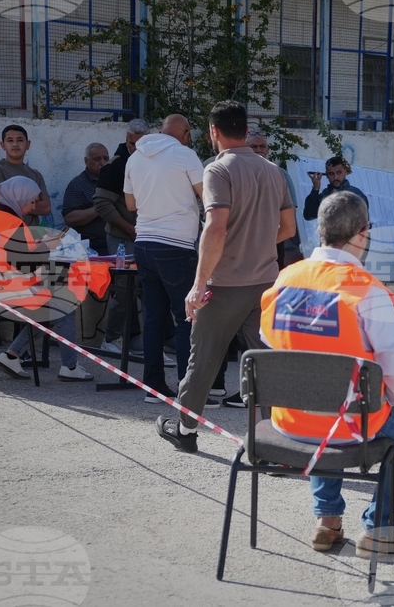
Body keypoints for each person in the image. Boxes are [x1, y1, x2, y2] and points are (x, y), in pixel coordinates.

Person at [258, 191, 394, 557]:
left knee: (322, 394)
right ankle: (379, 528)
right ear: (363, 234)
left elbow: (266, 339)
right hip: (350, 422)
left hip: (287, 420)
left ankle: (327, 521)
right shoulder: (363, 287)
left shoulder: (287, 277)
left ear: (319, 230)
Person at [156, 100, 295, 451]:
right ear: (247, 132)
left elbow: (215, 228)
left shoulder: (217, 171)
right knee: (267, 363)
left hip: (226, 284)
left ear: (213, 132)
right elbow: (288, 227)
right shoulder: (273, 171)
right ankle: (274, 440)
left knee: (202, 360)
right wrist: (258, 240)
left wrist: (198, 284)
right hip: (265, 282)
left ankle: (186, 431)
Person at [0, 177, 95, 383]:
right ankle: (70, 366)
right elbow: (26, 264)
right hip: (4, 292)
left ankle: (11, 356)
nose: (32, 207)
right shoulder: (14, 223)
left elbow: (11, 255)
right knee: (64, 304)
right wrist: (47, 246)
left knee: (50, 303)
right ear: (18, 197)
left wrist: (37, 246)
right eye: (31, 201)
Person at [124, 114, 205, 404]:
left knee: (154, 319)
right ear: (184, 132)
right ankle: (188, 391)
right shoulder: (185, 155)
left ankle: (153, 388)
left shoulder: (135, 157)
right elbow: (207, 196)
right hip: (176, 245)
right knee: (187, 319)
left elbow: (130, 204)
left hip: (143, 243)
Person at [94, 119, 149, 354]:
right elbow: (101, 204)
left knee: (146, 289)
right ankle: (112, 338)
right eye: (131, 143)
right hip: (121, 237)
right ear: (125, 139)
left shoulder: (152, 162)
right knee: (124, 289)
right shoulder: (115, 166)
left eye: (140, 143)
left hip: (145, 234)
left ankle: (137, 338)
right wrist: (129, 228)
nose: (134, 148)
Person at [248, 130, 302, 269]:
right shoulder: (237, 173)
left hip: (273, 247)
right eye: (254, 147)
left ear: (268, 149)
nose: (259, 150)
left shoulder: (280, 174)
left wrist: (268, 244)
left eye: (262, 146)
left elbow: (290, 217)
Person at [0, 125, 51, 226]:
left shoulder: (36, 174)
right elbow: (5, 202)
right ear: (2, 145)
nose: (15, 144)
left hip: (33, 235)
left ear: (28, 144)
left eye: (20, 140)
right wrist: (33, 203)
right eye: (10, 140)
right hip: (4, 234)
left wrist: (17, 203)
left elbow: (46, 207)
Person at [61, 143, 110, 256]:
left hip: (117, 245)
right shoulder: (78, 185)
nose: (102, 162)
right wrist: (99, 208)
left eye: (106, 158)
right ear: (86, 161)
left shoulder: (115, 181)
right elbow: (69, 218)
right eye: (97, 159)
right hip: (90, 248)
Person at [303, 156, 368, 221]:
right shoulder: (326, 194)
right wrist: (315, 189)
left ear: (345, 172)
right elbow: (309, 215)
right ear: (327, 175)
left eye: (339, 173)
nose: (335, 177)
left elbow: (362, 221)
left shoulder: (354, 194)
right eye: (331, 174)